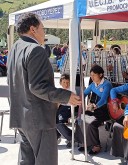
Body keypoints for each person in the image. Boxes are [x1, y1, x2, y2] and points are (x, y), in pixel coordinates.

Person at [7, 13, 81, 165]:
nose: (44, 32)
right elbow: (37, 87)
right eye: (43, 28)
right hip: (38, 119)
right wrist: (65, 96)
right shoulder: (36, 50)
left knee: (26, 161)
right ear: (33, 29)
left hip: (21, 116)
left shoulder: (15, 47)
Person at [77, 65, 112, 155]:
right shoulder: (93, 84)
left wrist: (95, 106)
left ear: (100, 75)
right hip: (95, 109)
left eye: (94, 75)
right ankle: (86, 142)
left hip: (106, 110)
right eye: (91, 75)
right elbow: (84, 93)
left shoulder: (107, 84)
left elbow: (104, 100)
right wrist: (78, 99)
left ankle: (97, 145)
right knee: (81, 119)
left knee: (92, 123)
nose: (91, 77)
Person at [56, 74, 72, 148]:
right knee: (49, 119)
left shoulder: (71, 90)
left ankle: (71, 137)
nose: (66, 84)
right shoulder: (59, 90)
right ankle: (57, 135)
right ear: (60, 83)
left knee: (59, 122)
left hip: (68, 107)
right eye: (64, 82)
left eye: (67, 82)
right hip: (60, 108)